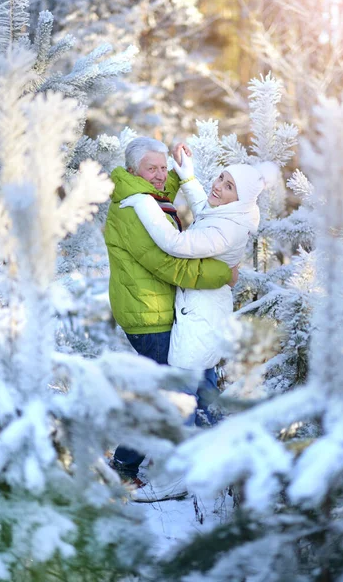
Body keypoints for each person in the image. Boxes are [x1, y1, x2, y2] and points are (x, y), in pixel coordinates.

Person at [104, 137, 236, 495]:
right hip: (150, 316)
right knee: (169, 397)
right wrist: (224, 274)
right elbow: (166, 264)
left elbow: (159, 195)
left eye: (163, 168)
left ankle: (215, 453)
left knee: (188, 386)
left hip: (162, 312)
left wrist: (177, 169)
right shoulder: (132, 209)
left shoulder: (142, 194)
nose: (160, 175)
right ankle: (126, 465)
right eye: (153, 168)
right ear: (134, 171)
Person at [120, 147, 266, 425]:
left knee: (182, 394)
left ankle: (185, 456)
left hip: (200, 316)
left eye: (229, 186)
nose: (218, 186)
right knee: (204, 385)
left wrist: (144, 204)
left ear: (241, 198)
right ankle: (215, 445)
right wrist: (187, 176)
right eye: (221, 178)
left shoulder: (226, 230)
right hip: (208, 310)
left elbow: (175, 245)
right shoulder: (231, 215)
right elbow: (204, 210)